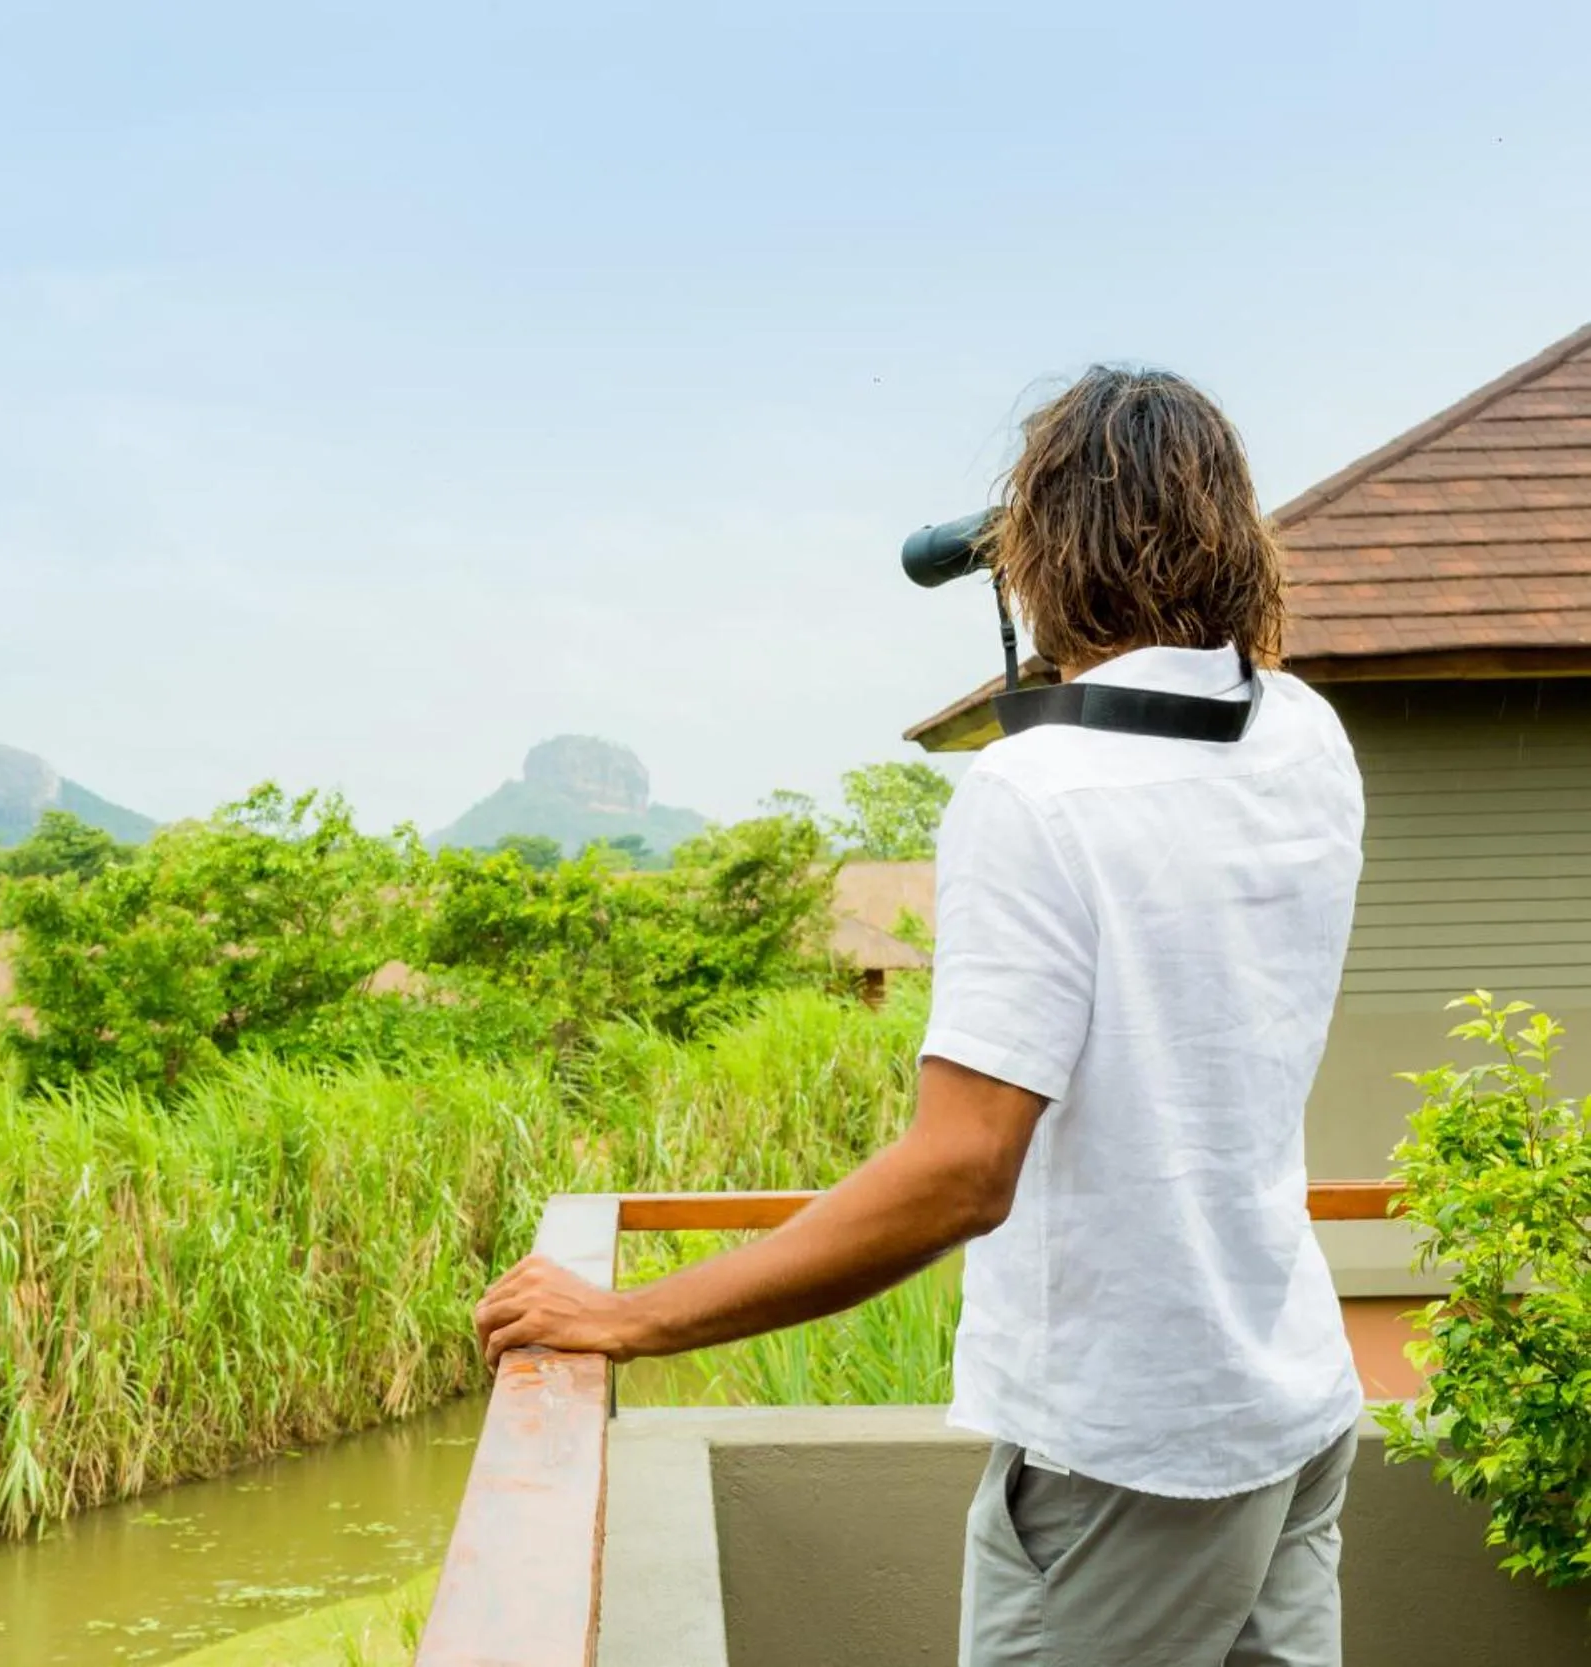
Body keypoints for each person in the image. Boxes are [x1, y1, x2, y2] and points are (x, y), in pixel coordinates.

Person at [474, 366, 1366, 1667]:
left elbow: (959, 1172)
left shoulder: (1036, 792)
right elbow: (1209, 699)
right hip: (1294, 1403)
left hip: (1129, 1446)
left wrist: (633, 1315)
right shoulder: (1307, 736)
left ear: (1043, 556)